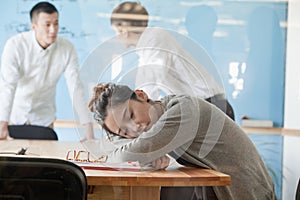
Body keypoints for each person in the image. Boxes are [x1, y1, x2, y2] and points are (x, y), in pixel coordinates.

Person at [88, 82, 277, 200]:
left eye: (131, 115)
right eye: (124, 131)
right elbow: (127, 147)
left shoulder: (182, 111)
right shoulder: (160, 121)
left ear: (142, 95)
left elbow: (127, 154)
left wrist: (144, 151)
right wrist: (146, 153)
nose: (134, 128)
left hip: (250, 194)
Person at [110, 1, 235, 120]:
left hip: (211, 107)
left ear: (124, 30)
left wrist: (138, 112)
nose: (116, 37)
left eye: (116, 31)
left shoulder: (155, 41)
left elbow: (150, 85)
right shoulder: (147, 46)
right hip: (203, 107)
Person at [0, 2, 94, 141]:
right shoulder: (15, 45)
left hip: (44, 120)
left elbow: (75, 87)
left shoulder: (66, 49)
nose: (53, 30)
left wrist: (88, 126)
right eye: (47, 24)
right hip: (14, 118)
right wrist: (3, 123)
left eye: (56, 23)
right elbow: (8, 85)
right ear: (34, 26)